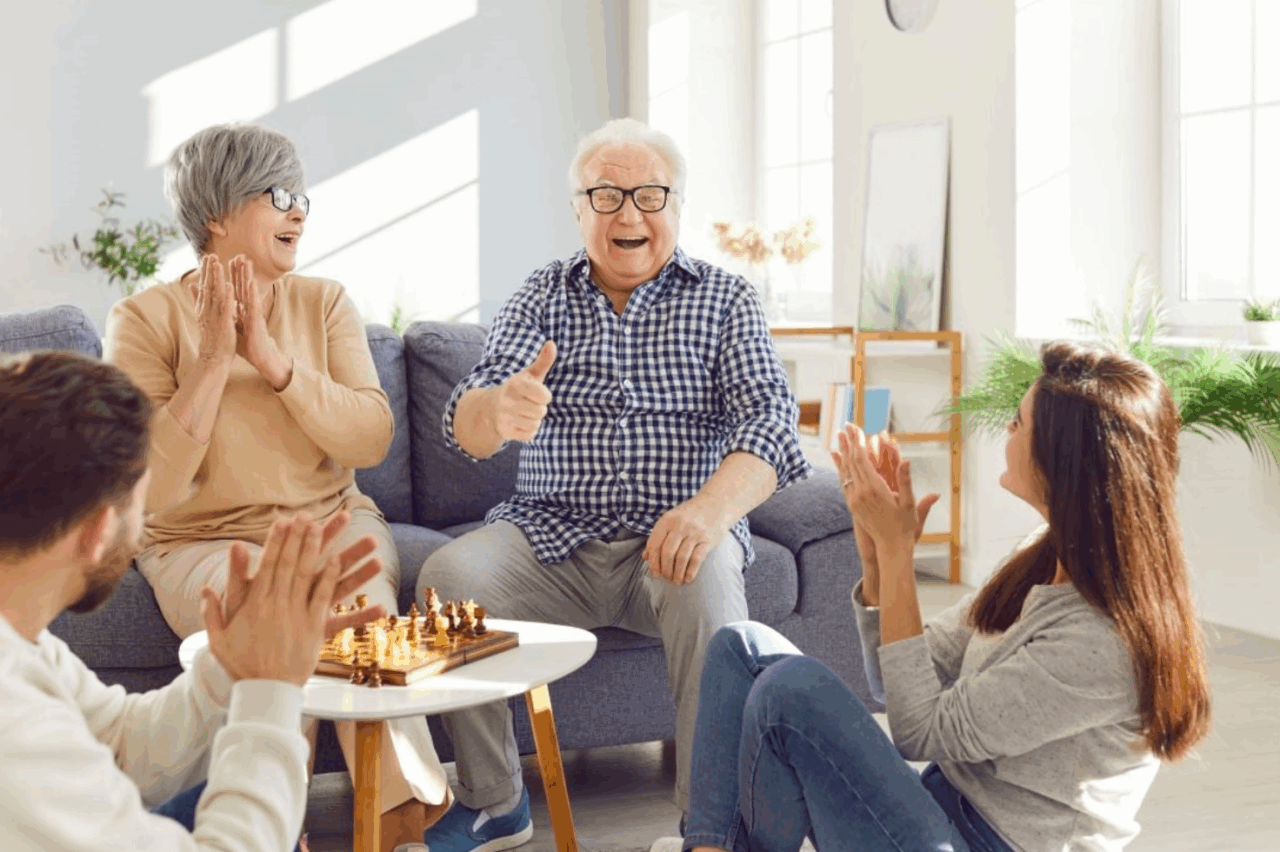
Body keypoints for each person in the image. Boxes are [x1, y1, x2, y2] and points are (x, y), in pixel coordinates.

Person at [416, 117, 812, 852]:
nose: (628, 213)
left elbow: (771, 426)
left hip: (674, 537)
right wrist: (495, 410)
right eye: (605, 195)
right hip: (550, 538)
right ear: (577, 209)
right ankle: (494, 799)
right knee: (446, 578)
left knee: (711, 581)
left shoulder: (726, 300)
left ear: (676, 207)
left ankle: (711, 830)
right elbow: (461, 422)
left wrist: (707, 512)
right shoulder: (541, 294)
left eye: (648, 194)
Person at [651, 341, 1213, 852]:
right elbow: (905, 677)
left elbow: (920, 732)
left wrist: (900, 558)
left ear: (1063, 463)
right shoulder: (1042, 557)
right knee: (740, 647)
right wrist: (875, 561)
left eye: (1019, 424)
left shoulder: (1101, 640)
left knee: (790, 690)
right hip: (940, 810)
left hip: (989, 844)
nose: (1007, 432)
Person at [102, 122, 450, 850]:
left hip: (331, 519)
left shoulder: (322, 303)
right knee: (274, 603)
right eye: (280, 194)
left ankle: (396, 818)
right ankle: (268, 828)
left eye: (303, 195)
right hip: (198, 541)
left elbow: (369, 436)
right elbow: (152, 489)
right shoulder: (143, 319)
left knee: (356, 603)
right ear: (218, 214)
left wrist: (271, 359)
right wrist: (210, 362)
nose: (300, 211)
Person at [0, 349, 389, 851]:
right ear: (98, 531)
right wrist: (272, 690)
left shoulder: (21, 640)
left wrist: (230, 668)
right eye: (142, 506)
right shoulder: (16, 720)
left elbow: (120, 742)